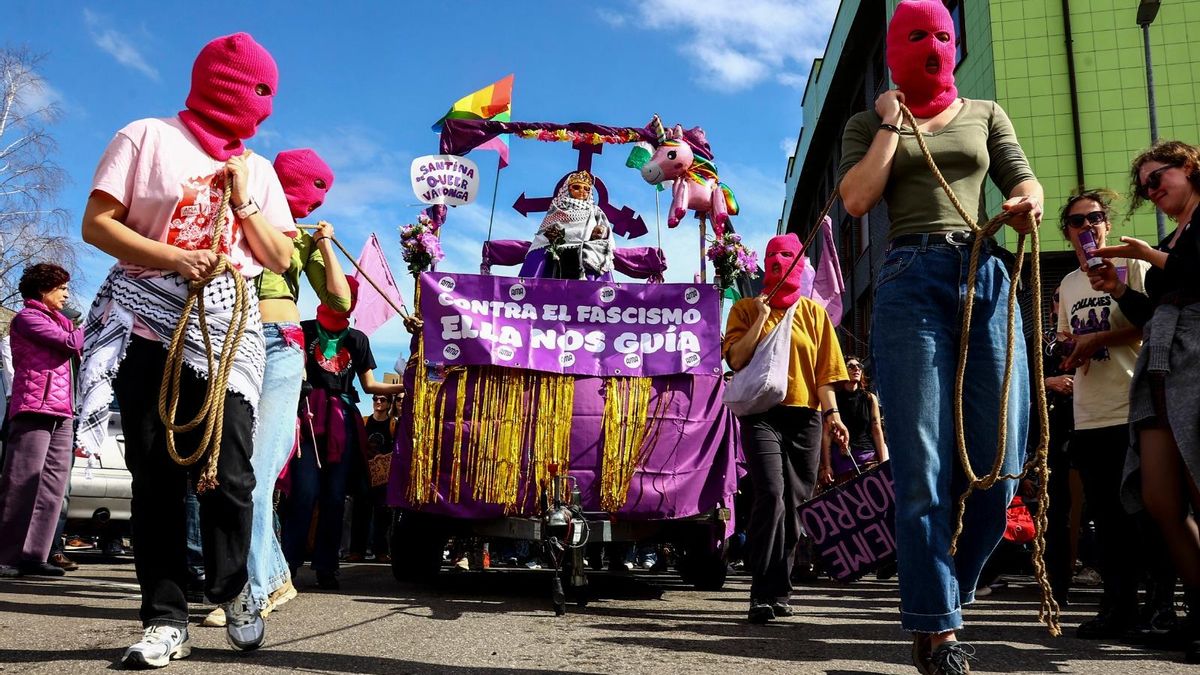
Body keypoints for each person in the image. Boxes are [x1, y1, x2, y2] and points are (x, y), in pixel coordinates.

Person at [76, 33, 295, 667]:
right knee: (156, 479)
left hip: (230, 333)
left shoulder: (257, 167)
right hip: (149, 322)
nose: (267, 108)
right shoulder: (145, 137)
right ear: (226, 83)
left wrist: (244, 199)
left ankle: (233, 590)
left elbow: (280, 256)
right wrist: (174, 257)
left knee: (232, 475)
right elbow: (96, 225)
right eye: (260, 91)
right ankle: (165, 617)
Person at [837, 2, 1043, 670]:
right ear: (895, 49)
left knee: (1002, 462)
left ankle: (943, 590)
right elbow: (858, 199)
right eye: (917, 36)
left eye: (943, 35)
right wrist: (892, 124)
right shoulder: (868, 121)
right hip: (908, 279)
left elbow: (1023, 177)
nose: (934, 46)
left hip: (983, 273)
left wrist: (1028, 201)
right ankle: (940, 628)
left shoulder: (986, 112)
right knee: (922, 470)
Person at [202, 148, 350, 629]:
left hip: (281, 346)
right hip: (227, 338)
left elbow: (339, 300)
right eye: (313, 188)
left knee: (260, 475)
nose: (316, 202)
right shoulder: (239, 206)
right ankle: (274, 577)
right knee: (229, 471)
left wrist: (326, 245)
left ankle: (256, 587)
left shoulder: (300, 237)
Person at [1089, 140, 1200, 663]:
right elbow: (1155, 307)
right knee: (1160, 498)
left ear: (1188, 167)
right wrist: (1116, 287)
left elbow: (1190, 277)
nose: (1152, 191)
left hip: (1198, 357)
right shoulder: (1171, 237)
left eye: (1159, 179)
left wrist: (1146, 257)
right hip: (1162, 361)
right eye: (1146, 187)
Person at [723, 233, 850, 624]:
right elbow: (737, 360)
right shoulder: (745, 308)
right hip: (761, 414)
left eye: (787, 255)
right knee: (772, 495)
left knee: (795, 507)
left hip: (805, 418)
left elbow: (826, 373)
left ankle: (780, 588)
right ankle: (760, 590)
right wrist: (761, 318)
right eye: (772, 256)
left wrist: (833, 416)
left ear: (798, 262)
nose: (779, 261)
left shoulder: (813, 314)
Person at [1053, 189, 1160, 639]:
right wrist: (1069, 352)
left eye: (1095, 218)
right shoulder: (1068, 285)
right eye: (1077, 222)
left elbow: (1154, 322)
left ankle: (1158, 609)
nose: (1087, 227)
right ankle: (1116, 607)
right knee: (1107, 519)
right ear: (1069, 233)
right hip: (1090, 413)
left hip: (1134, 408)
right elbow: (1065, 338)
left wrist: (1100, 341)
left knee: (1147, 515)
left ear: (1107, 225)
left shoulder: (1135, 265)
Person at [281, 278, 403, 589]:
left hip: (342, 420)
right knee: (304, 492)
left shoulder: (358, 340)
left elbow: (371, 386)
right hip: (308, 417)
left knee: (335, 496)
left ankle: (327, 567)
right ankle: (287, 565)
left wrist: (409, 384)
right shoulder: (304, 329)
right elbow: (292, 366)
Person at [0, 264, 82, 579]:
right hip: (35, 407)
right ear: (43, 290)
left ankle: (35, 555)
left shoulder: (61, 321)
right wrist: (95, 324)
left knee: (52, 486)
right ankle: (6, 556)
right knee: (22, 481)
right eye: (61, 288)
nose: (66, 294)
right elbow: (71, 343)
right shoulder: (27, 318)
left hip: (63, 410)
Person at [518, 170, 615, 280]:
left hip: (584, 256)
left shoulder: (594, 210)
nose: (582, 191)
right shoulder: (557, 207)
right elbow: (544, 234)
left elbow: (605, 230)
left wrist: (600, 231)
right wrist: (551, 236)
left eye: (586, 189)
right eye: (577, 187)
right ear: (568, 189)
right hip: (556, 256)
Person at [818, 355, 889, 487]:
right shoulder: (832, 400)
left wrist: (883, 461)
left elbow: (876, 429)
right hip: (843, 464)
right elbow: (826, 434)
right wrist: (827, 466)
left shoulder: (869, 398)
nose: (856, 368)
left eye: (859, 366)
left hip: (868, 460)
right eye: (850, 366)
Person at [347, 393, 397, 563]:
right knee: (360, 512)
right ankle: (357, 551)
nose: (378, 402)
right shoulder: (365, 421)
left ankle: (381, 551)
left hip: (384, 476)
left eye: (383, 399)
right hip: (365, 473)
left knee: (382, 516)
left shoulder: (392, 425)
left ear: (389, 403)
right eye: (375, 399)